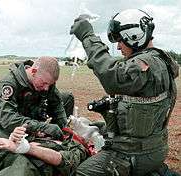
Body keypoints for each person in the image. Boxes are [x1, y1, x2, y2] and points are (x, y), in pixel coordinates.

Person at [70, 9, 179, 176]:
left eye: (120, 41)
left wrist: (87, 36)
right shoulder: (160, 61)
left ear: (134, 36)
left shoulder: (147, 65)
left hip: (134, 155)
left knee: (83, 172)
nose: (119, 46)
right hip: (153, 148)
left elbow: (111, 75)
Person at [0, 56, 74, 139]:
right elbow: (8, 119)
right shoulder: (10, 84)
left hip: (32, 120)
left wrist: (64, 127)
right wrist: (42, 127)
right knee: (16, 149)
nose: (46, 88)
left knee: (67, 97)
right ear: (33, 71)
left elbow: (56, 105)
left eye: (49, 84)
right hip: (10, 127)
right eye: (44, 83)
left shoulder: (45, 80)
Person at [0, 125, 90, 176]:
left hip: (31, 166)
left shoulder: (76, 146)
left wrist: (27, 148)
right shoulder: (44, 135)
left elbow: (61, 160)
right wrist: (13, 139)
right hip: (7, 157)